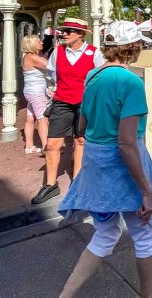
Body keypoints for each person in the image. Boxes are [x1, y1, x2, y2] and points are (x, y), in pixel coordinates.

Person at [58, 21, 152, 298]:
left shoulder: (93, 76)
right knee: (144, 236)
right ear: (132, 48)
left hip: (96, 165)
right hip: (124, 168)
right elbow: (126, 142)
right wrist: (145, 190)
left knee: (105, 235)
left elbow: (83, 125)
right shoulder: (131, 82)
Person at [32, 18, 103, 205]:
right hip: (62, 100)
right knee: (52, 143)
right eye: (63, 31)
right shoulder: (58, 51)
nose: (64, 34)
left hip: (85, 102)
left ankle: (78, 182)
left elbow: (100, 78)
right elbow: (52, 73)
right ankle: (50, 185)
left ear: (80, 34)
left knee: (80, 140)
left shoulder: (94, 53)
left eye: (69, 31)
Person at [21, 34, 50, 154]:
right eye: (39, 41)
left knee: (30, 118)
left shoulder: (29, 56)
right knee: (43, 119)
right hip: (37, 92)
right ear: (32, 44)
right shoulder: (32, 57)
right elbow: (50, 66)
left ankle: (29, 146)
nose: (41, 43)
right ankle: (46, 147)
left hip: (31, 91)